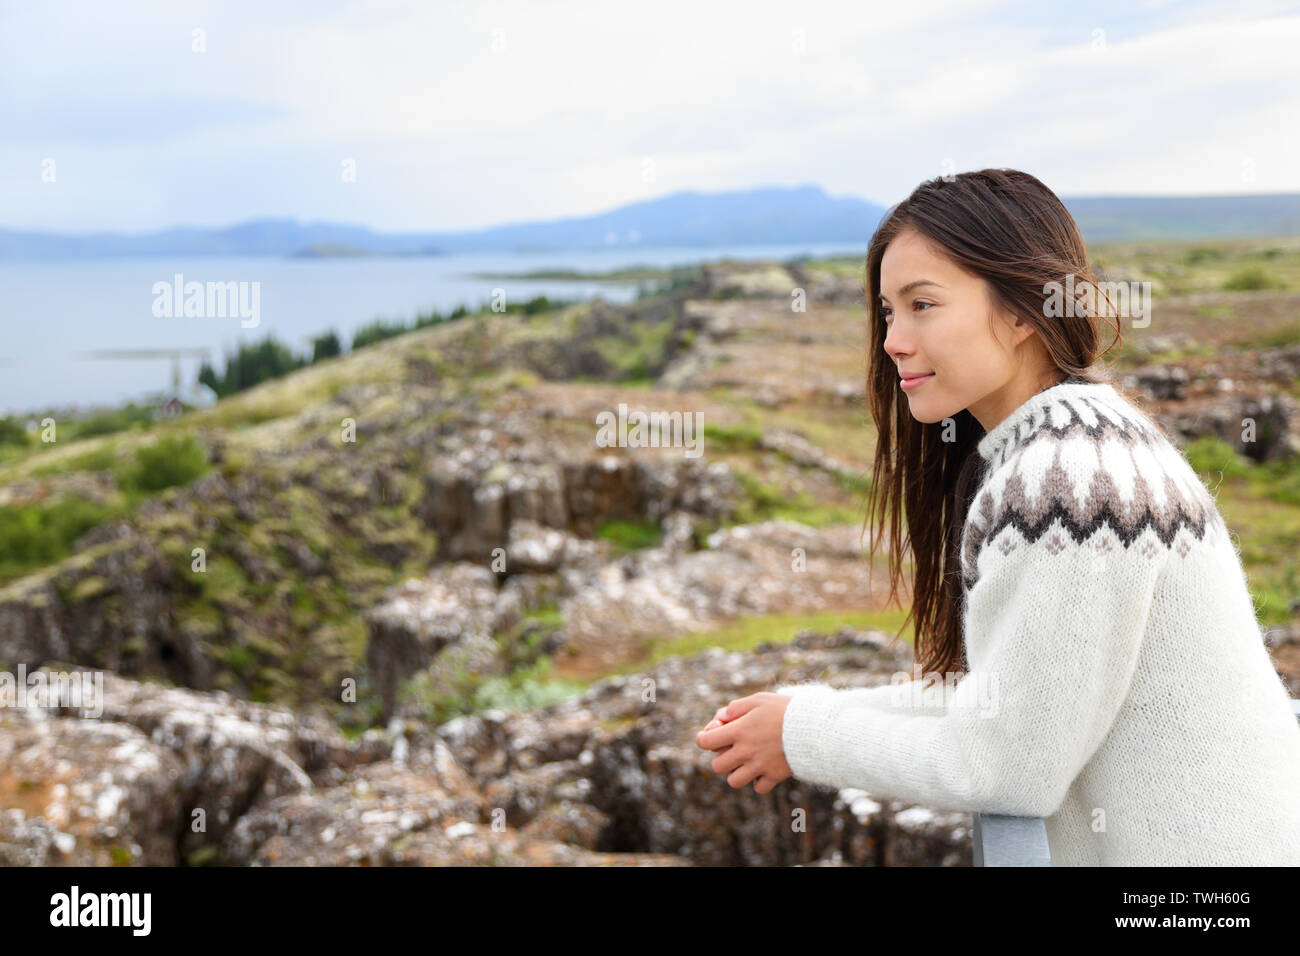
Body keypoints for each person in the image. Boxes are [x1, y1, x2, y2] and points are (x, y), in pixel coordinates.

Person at [694, 168, 1300, 865]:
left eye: (923, 305)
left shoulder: (1065, 486)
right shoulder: (1087, 440)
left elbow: (1009, 766)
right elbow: (1010, 706)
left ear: (1021, 312)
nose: (892, 339)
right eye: (889, 311)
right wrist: (801, 714)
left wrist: (804, 733)